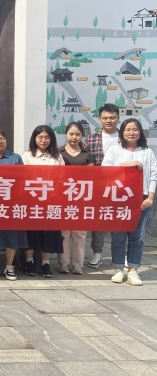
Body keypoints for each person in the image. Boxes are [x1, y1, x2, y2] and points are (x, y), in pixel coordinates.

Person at [103, 118, 157, 286]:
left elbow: (153, 175)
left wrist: (150, 197)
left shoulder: (147, 152)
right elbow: (106, 171)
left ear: (140, 132)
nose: (131, 133)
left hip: (141, 199)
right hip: (119, 199)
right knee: (118, 235)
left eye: (135, 129)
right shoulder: (114, 150)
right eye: (128, 129)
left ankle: (133, 269)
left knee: (138, 236)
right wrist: (130, 165)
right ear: (122, 132)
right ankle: (119, 268)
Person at [0, 130, 27, 281]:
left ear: (6, 141)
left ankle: (9, 266)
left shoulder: (15, 158)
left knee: (11, 235)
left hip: (12, 203)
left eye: (1, 138)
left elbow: (23, 179)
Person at [22, 125, 64, 278]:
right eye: (40, 137)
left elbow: (61, 177)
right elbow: (23, 177)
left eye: (47, 137)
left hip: (51, 199)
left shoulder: (57, 156)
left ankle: (46, 264)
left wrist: (54, 193)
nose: (43, 140)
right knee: (31, 231)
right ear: (34, 139)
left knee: (50, 232)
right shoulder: (27, 156)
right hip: (31, 199)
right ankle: (29, 262)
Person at [83, 103, 120, 268]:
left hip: (122, 186)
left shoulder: (125, 138)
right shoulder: (91, 139)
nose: (108, 120)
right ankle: (97, 254)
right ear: (99, 119)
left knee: (120, 219)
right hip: (98, 186)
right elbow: (81, 158)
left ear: (118, 118)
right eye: (105, 118)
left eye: (112, 117)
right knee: (99, 220)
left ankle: (121, 256)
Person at [59, 122, 93, 275]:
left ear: (82, 136)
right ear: (66, 134)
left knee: (80, 234)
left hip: (81, 197)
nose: (74, 137)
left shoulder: (87, 154)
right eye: (71, 134)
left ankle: (78, 265)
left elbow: (92, 177)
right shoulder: (59, 153)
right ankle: (64, 263)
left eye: (78, 134)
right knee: (64, 233)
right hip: (63, 197)